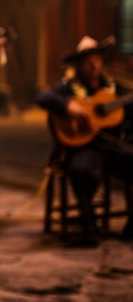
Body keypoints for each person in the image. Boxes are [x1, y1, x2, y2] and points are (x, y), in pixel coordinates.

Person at [37, 36, 133, 243]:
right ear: (79, 64)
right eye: (88, 61)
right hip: (84, 149)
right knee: (80, 170)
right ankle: (89, 228)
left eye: (97, 59)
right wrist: (67, 106)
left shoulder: (113, 87)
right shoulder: (69, 87)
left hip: (111, 148)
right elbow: (43, 97)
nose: (94, 64)